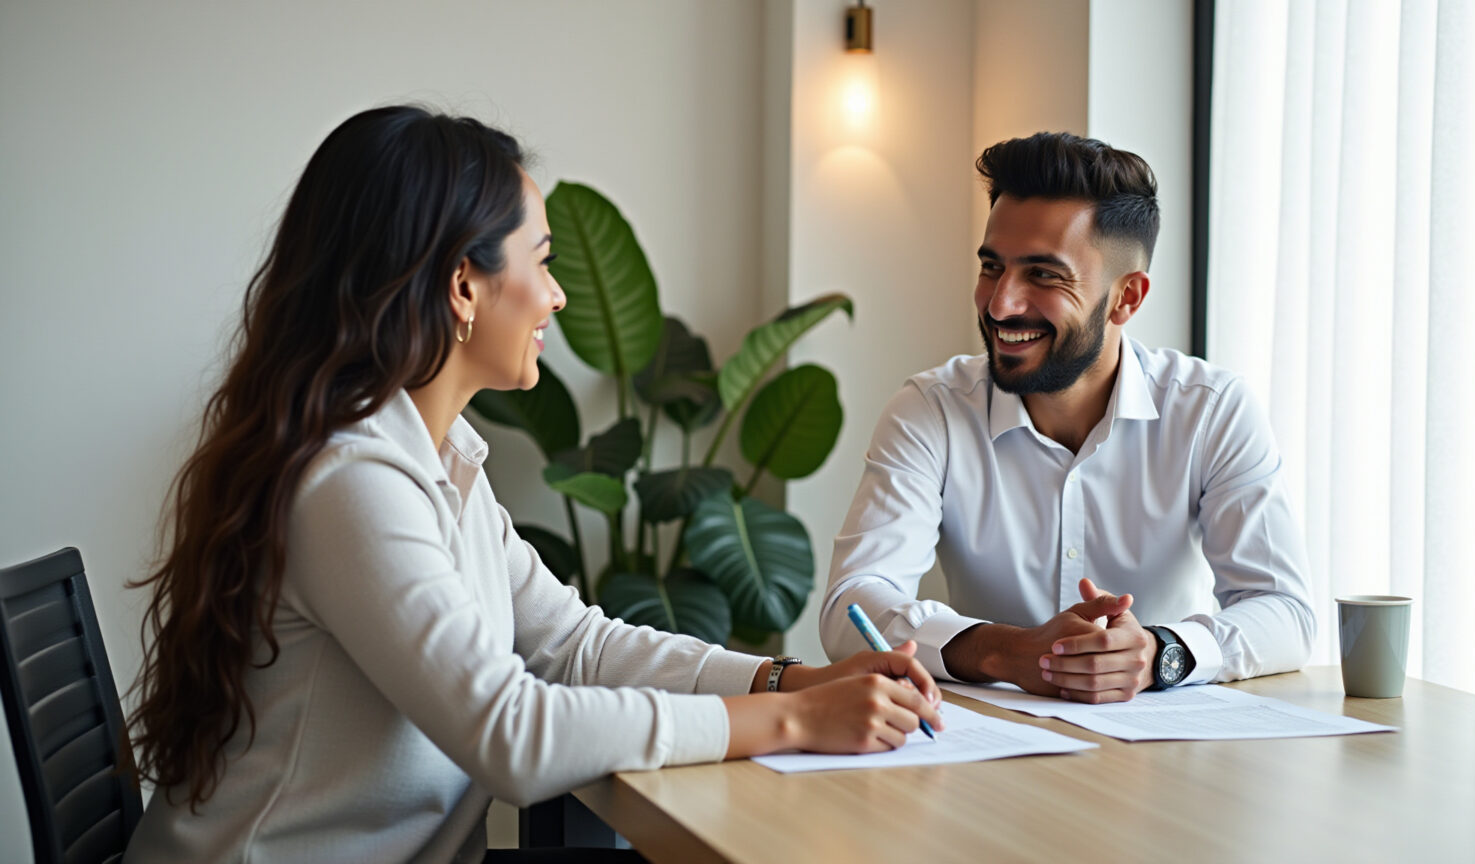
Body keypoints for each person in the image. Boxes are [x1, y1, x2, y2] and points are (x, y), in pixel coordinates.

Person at [123, 105, 943, 864]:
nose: (555, 296)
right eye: (542, 262)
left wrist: (787, 679)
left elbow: (574, 643)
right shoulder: (350, 482)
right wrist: (794, 721)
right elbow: (510, 734)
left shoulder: (436, 464)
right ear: (462, 285)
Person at [819, 131, 1314, 705]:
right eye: (992, 267)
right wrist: (1003, 650)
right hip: (981, 754)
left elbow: (1286, 612)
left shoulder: (1211, 409)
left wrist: (1162, 652)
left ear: (1127, 299)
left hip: (1165, 757)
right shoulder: (930, 411)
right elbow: (851, 605)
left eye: (1043, 275)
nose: (1001, 303)